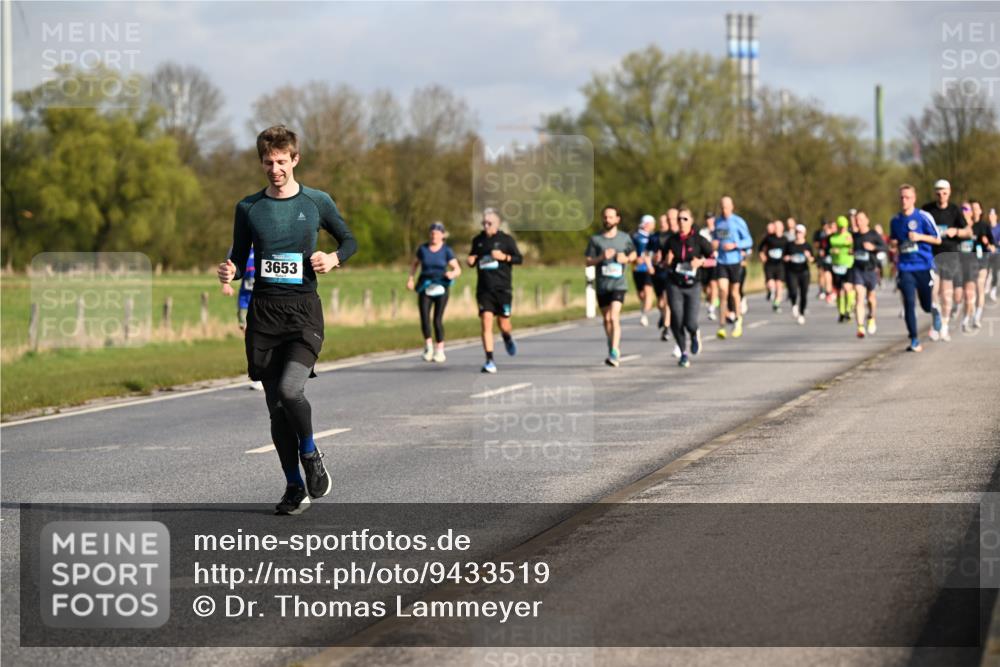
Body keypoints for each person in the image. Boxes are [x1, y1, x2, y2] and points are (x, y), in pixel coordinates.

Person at [218, 125, 357, 515]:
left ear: (295, 159)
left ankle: (310, 454)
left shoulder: (316, 201)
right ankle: (294, 486)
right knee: (275, 406)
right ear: (261, 161)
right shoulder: (248, 208)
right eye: (268, 162)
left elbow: (349, 240)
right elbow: (241, 257)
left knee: (291, 390)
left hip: (302, 312)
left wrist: (333, 258)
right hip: (264, 315)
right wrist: (229, 271)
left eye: (281, 161)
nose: (274, 168)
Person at [468, 208, 523, 374]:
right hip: (484, 289)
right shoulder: (478, 240)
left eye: (489, 223)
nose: (486, 226)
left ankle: (507, 337)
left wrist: (504, 257)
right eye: (483, 223)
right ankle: (489, 360)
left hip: (503, 288)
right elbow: (473, 258)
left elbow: (519, 259)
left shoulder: (506, 240)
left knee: (504, 323)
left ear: (497, 224)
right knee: (486, 320)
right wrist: (471, 260)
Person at [890, 184, 941, 352]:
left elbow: (937, 239)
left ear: (914, 199)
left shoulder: (923, 217)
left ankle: (934, 310)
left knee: (926, 305)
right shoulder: (895, 221)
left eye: (907, 197)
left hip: (923, 266)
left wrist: (920, 236)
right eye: (901, 197)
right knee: (909, 303)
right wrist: (893, 244)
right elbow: (894, 241)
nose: (904, 200)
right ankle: (913, 339)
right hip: (905, 267)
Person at [586, 205, 637, 367]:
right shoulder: (596, 240)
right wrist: (601, 257)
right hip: (602, 285)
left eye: (610, 217)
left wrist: (626, 259)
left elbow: (634, 254)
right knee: (606, 319)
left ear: (617, 219)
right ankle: (611, 345)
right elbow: (587, 261)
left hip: (619, 284)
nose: (607, 220)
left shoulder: (624, 238)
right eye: (605, 217)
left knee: (614, 316)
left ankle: (614, 350)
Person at [664, 207, 713, 367]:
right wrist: (665, 260)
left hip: (693, 285)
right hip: (675, 284)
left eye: (685, 219)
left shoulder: (699, 240)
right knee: (676, 320)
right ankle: (683, 353)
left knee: (690, 322)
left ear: (691, 221)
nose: (681, 222)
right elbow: (662, 261)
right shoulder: (672, 241)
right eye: (679, 219)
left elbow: (715, 259)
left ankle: (694, 333)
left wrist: (701, 262)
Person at [407, 222, 461, 362]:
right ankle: (428, 346)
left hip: (441, 286)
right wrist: (411, 279)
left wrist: (452, 274)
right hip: (425, 286)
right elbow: (415, 264)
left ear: (442, 235)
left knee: (437, 319)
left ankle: (440, 350)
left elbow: (457, 268)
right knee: (424, 317)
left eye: (437, 233)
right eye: (432, 233)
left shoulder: (446, 251)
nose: (434, 236)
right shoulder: (423, 249)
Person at [921, 179, 965, 341]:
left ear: (949, 192)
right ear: (935, 193)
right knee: (933, 292)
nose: (941, 195)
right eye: (938, 192)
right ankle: (936, 321)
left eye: (944, 192)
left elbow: (967, 231)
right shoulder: (927, 210)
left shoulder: (955, 210)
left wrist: (957, 232)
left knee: (946, 295)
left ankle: (944, 326)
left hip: (949, 256)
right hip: (931, 255)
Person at [222, 247, 264, 390]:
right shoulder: (239, 246)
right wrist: (226, 284)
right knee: (249, 336)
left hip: (263, 300)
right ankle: (257, 372)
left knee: (263, 335)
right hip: (245, 300)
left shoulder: (266, 241)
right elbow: (227, 265)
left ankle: (264, 372)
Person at [712, 195, 753, 339]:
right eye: (722, 207)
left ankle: (738, 320)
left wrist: (735, 245)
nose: (724, 210)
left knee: (734, 292)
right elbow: (715, 238)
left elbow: (748, 240)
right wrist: (714, 244)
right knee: (722, 291)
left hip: (735, 261)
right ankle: (722, 325)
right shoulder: (717, 222)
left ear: (732, 207)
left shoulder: (738, 221)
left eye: (726, 207)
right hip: (722, 261)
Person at [848, 211, 887, 338]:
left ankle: (871, 317)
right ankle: (860, 327)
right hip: (857, 270)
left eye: (860, 219)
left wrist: (873, 247)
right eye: (856, 220)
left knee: (871, 299)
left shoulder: (873, 234)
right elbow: (851, 249)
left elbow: (885, 248)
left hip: (871, 269)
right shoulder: (854, 235)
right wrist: (851, 251)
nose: (858, 222)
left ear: (867, 220)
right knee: (859, 296)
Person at [783, 224, 814, 325]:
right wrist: (787, 258)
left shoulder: (807, 245)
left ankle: (801, 314)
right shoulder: (790, 245)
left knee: (804, 294)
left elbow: (813, 260)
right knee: (793, 291)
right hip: (792, 271)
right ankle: (794, 305)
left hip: (804, 272)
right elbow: (783, 257)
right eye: (796, 232)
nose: (798, 234)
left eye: (800, 232)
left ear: (804, 234)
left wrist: (809, 257)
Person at [971, 202, 995, 328]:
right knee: (971, 289)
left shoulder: (984, 226)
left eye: (976, 209)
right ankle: (972, 312)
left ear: (980, 211)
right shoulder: (966, 225)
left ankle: (977, 317)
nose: (974, 211)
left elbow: (992, 245)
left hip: (982, 260)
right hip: (968, 260)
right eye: (972, 209)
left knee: (979, 286)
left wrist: (988, 244)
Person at [828, 216, 856, 322]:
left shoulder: (850, 237)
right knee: (839, 291)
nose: (842, 229)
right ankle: (841, 311)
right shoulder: (832, 238)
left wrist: (851, 250)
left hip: (848, 264)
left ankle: (849, 309)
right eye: (840, 227)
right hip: (836, 266)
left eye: (844, 227)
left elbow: (855, 248)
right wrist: (832, 251)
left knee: (848, 287)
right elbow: (826, 250)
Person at [631, 214, 657, 327]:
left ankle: (644, 315)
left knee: (648, 292)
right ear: (646, 224)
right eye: (652, 223)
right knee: (641, 294)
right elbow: (629, 251)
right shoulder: (635, 236)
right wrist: (635, 259)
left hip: (648, 269)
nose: (654, 226)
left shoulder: (654, 237)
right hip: (637, 269)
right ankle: (643, 310)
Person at [758, 219, 787, 312]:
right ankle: (771, 292)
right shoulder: (768, 238)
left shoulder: (785, 239)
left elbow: (789, 251)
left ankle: (776, 303)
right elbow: (760, 248)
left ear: (782, 228)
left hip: (780, 265)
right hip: (770, 264)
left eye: (779, 227)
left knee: (779, 285)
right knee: (770, 283)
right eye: (775, 227)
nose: (777, 229)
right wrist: (762, 255)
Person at [702, 212, 720, 321]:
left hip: (715, 261)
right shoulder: (702, 232)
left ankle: (711, 309)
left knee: (713, 284)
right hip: (705, 262)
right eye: (707, 218)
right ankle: (712, 300)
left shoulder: (718, 231)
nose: (709, 220)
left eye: (711, 218)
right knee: (706, 289)